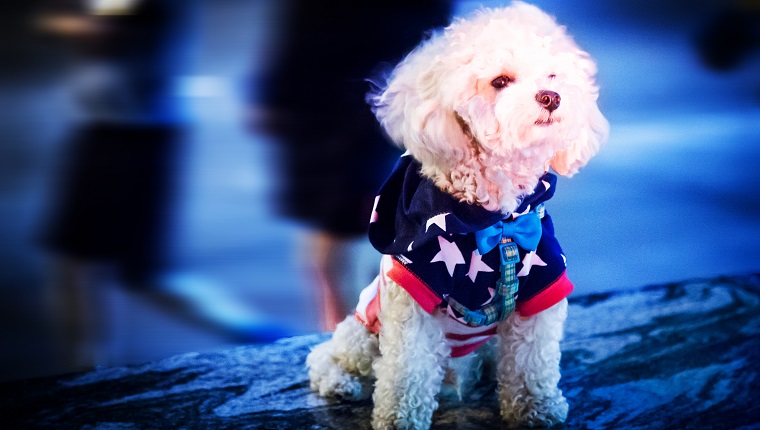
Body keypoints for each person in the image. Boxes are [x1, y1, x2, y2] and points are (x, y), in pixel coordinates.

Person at [248, 0, 452, 330]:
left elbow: (438, 26)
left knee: (372, 217)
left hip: (390, 90)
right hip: (333, 94)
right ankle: (343, 327)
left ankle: (363, 323)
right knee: (341, 221)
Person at [37, 0, 194, 369]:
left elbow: (103, 32)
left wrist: (63, 23)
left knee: (146, 276)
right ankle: (89, 365)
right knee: (76, 259)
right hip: (103, 129)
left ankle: (260, 335)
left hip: (135, 135)